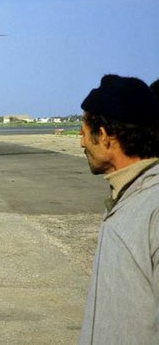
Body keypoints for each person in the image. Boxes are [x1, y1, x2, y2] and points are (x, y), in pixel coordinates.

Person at [78, 74, 159, 344]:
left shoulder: (152, 206)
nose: (82, 143)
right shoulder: (125, 196)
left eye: (83, 133)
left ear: (104, 136)